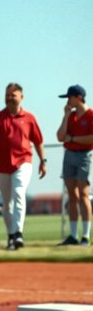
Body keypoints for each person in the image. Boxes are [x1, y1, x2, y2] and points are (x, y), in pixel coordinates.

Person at [0, 83, 46, 250]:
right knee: (7, 202)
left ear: (21, 97)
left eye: (13, 95)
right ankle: (11, 236)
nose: (9, 98)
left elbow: (38, 141)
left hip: (23, 161)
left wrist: (43, 161)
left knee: (19, 193)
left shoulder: (29, 118)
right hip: (1, 166)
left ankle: (18, 233)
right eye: (7, 95)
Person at [56, 84, 91, 247]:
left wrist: (73, 139)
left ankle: (85, 236)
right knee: (72, 196)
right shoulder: (70, 116)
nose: (67, 100)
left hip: (84, 156)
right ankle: (73, 235)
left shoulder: (91, 114)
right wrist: (65, 116)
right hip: (69, 156)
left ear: (79, 97)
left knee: (83, 194)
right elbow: (60, 136)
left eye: (69, 97)